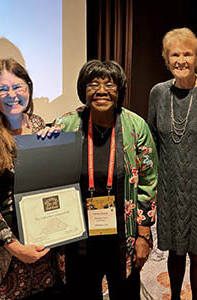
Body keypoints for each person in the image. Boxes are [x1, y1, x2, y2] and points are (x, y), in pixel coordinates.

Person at [50, 59, 158, 299]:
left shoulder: (135, 126)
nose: (101, 91)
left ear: (119, 91)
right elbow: (49, 173)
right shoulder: (65, 125)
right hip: (79, 236)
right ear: (83, 90)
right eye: (93, 84)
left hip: (122, 234)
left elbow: (148, 183)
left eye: (109, 85)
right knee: (82, 292)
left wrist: (143, 236)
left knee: (125, 293)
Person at [0, 58, 65, 300]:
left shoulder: (39, 125)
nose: (12, 95)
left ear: (29, 88)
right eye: (3, 89)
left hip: (38, 244)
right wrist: (16, 248)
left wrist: (57, 144)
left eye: (18, 86)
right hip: (0, 253)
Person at [148, 27, 197, 300]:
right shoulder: (158, 93)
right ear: (166, 59)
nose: (181, 60)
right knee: (175, 253)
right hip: (170, 188)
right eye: (174, 54)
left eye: (187, 54)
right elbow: (152, 140)